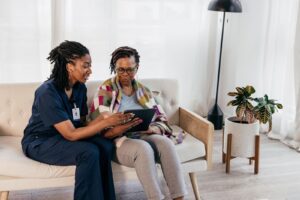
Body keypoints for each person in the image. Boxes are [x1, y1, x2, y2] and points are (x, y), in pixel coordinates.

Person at [21, 41, 141, 200]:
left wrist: (106, 120)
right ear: (70, 66)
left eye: (90, 65)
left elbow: (82, 124)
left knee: (105, 146)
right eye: (85, 66)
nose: (90, 71)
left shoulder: (79, 88)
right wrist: (104, 123)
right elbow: (71, 134)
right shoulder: (47, 93)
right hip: (41, 142)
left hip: (64, 137)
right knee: (88, 152)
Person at [90, 46, 187, 200]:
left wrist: (153, 129)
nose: (125, 74)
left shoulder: (144, 91)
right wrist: (121, 127)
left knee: (166, 144)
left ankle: (179, 197)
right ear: (115, 68)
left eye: (130, 70)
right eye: (120, 70)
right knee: (143, 149)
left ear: (137, 68)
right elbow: (99, 128)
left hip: (143, 134)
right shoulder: (106, 90)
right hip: (118, 140)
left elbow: (162, 120)